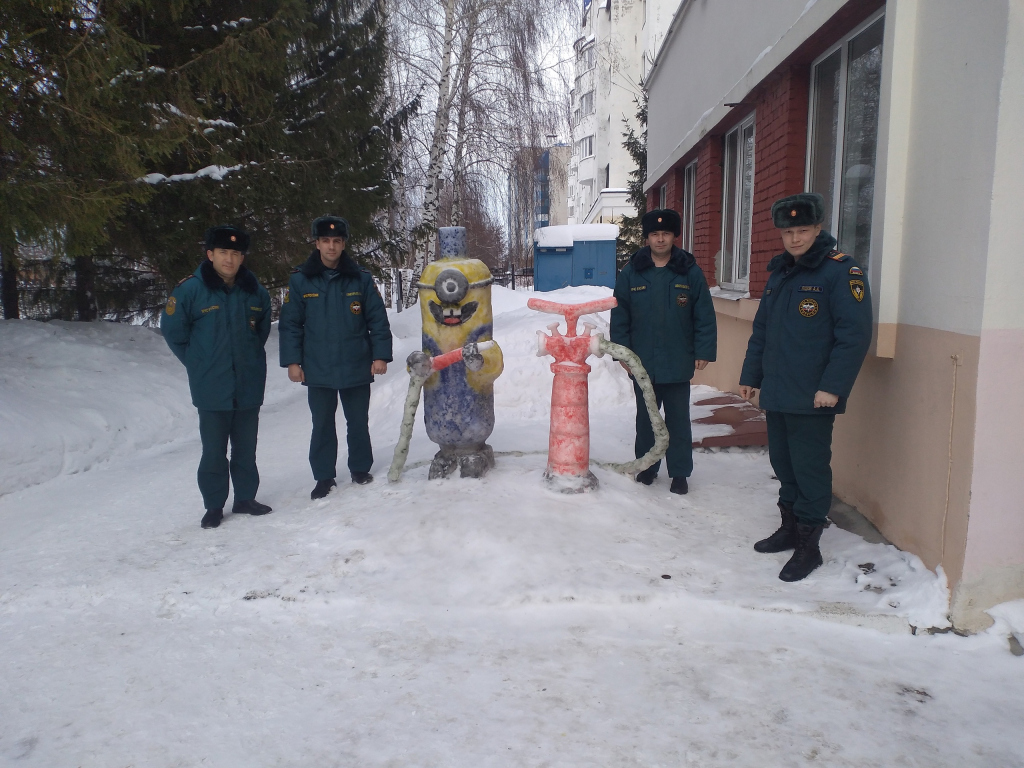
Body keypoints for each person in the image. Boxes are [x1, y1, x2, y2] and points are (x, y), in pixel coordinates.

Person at [739, 193, 872, 581]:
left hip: (815, 395)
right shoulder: (781, 272)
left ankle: (808, 546)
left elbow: (854, 335)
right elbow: (762, 329)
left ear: (818, 229)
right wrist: (751, 376)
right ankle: (789, 529)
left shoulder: (841, 272)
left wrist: (833, 386)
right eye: (788, 232)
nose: (795, 239)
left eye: (803, 230)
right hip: (779, 391)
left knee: (810, 468)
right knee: (784, 464)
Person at [161, 225, 274, 529]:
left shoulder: (254, 291)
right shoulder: (190, 291)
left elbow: (260, 330)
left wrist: (246, 358)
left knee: (246, 449)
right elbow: (174, 333)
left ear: (242, 258)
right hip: (211, 387)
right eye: (223, 252)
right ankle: (213, 506)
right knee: (213, 452)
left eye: (236, 253)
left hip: (248, 384)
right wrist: (199, 363)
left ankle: (245, 499)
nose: (229, 259)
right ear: (210, 254)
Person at [279, 216, 393, 500]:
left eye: (337, 241)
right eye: (326, 241)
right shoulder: (301, 279)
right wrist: (293, 362)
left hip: (355, 361)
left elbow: (377, 320)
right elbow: (291, 323)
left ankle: (359, 469)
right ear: (317, 243)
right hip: (318, 366)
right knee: (322, 424)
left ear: (344, 244)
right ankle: (323, 476)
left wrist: (380, 356)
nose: (331, 247)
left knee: (357, 421)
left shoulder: (361, 279)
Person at [610, 208, 717, 495]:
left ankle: (680, 472)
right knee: (646, 420)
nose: (660, 239)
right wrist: (622, 353)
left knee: (678, 420)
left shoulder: (689, 271)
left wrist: (703, 349)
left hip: (677, 360)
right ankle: (647, 466)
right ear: (647, 238)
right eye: (655, 234)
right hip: (642, 362)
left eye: (665, 234)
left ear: (674, 236)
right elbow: (620, 316)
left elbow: (704, 315)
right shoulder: (632, 272)